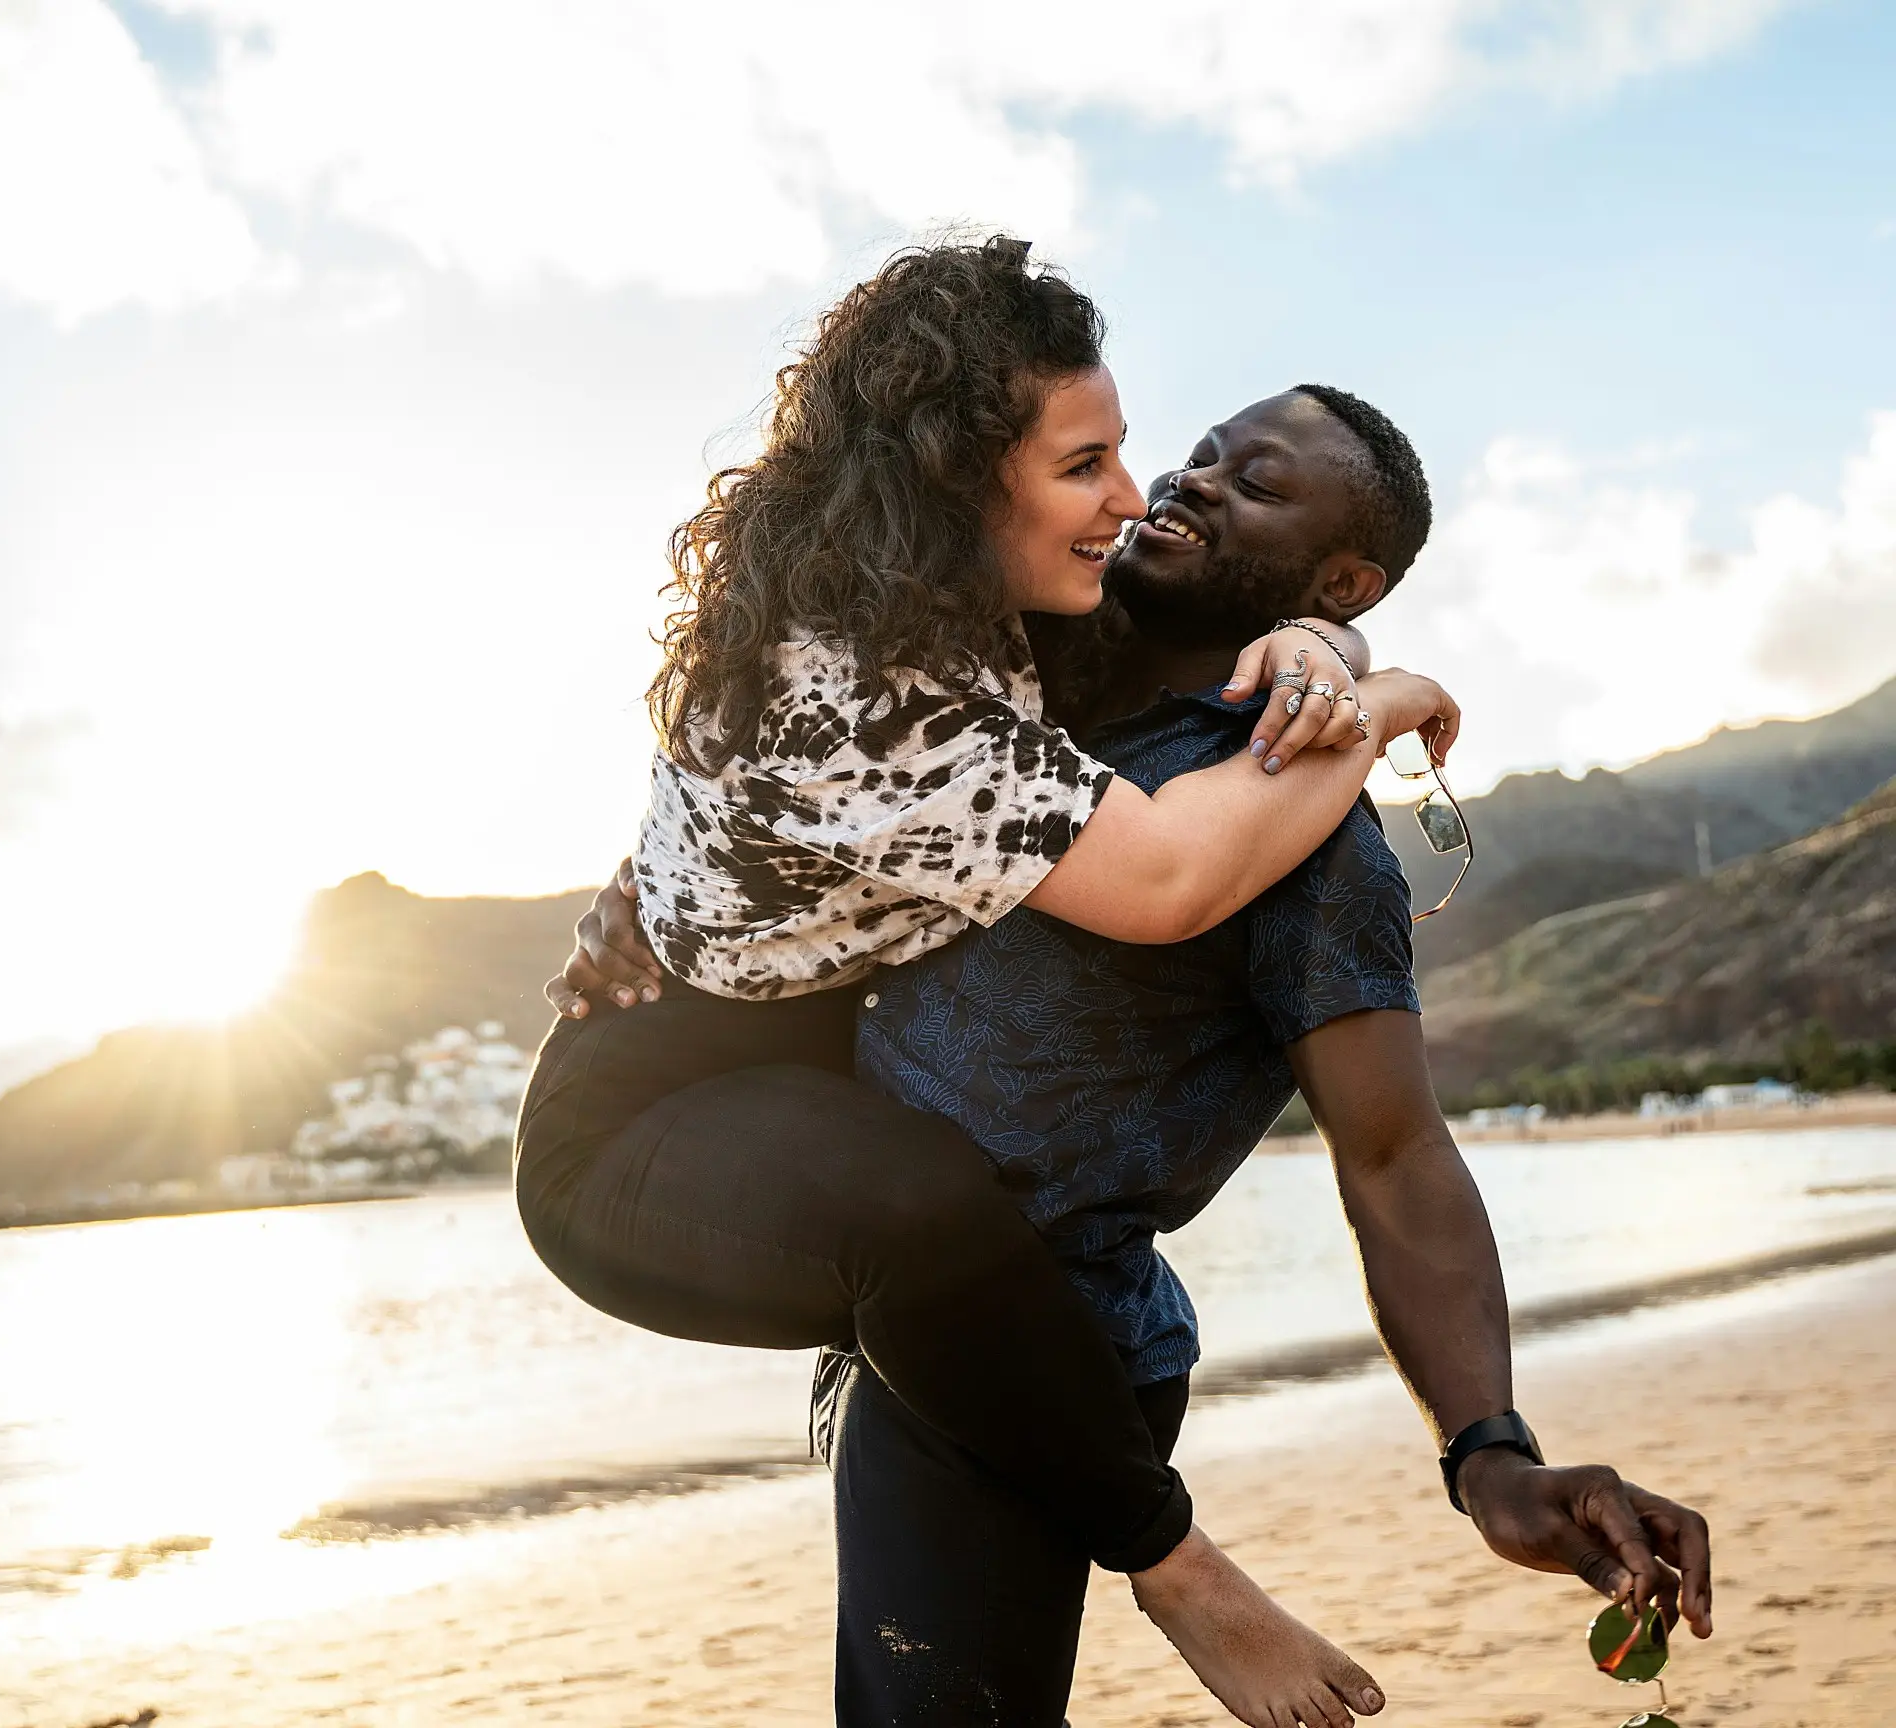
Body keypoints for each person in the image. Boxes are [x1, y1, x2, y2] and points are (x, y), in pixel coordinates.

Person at [554, 386, 1714, 1728]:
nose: (1196, 481)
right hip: (899, 1299)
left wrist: (1490, 1453)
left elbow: (1396, 1157)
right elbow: (808, 783)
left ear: (1346, 573)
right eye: (1205, 451)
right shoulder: (1024, 687)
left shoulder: (1308, 842)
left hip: (1048, 1329)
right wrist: (643, 891)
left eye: (1258, 485)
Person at [514, 235, 1459, 1723]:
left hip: (830, 1112)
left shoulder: (987, 612)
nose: (1136, 498)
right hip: (647, 1131)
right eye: (1089, 463)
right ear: (963, 479)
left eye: (1130, 453)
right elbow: (1163, 878)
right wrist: (1387, 695)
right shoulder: (862, 676)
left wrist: (1330, 637)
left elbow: (1221, 652)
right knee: (925, 1214)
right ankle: (1186, 1573)